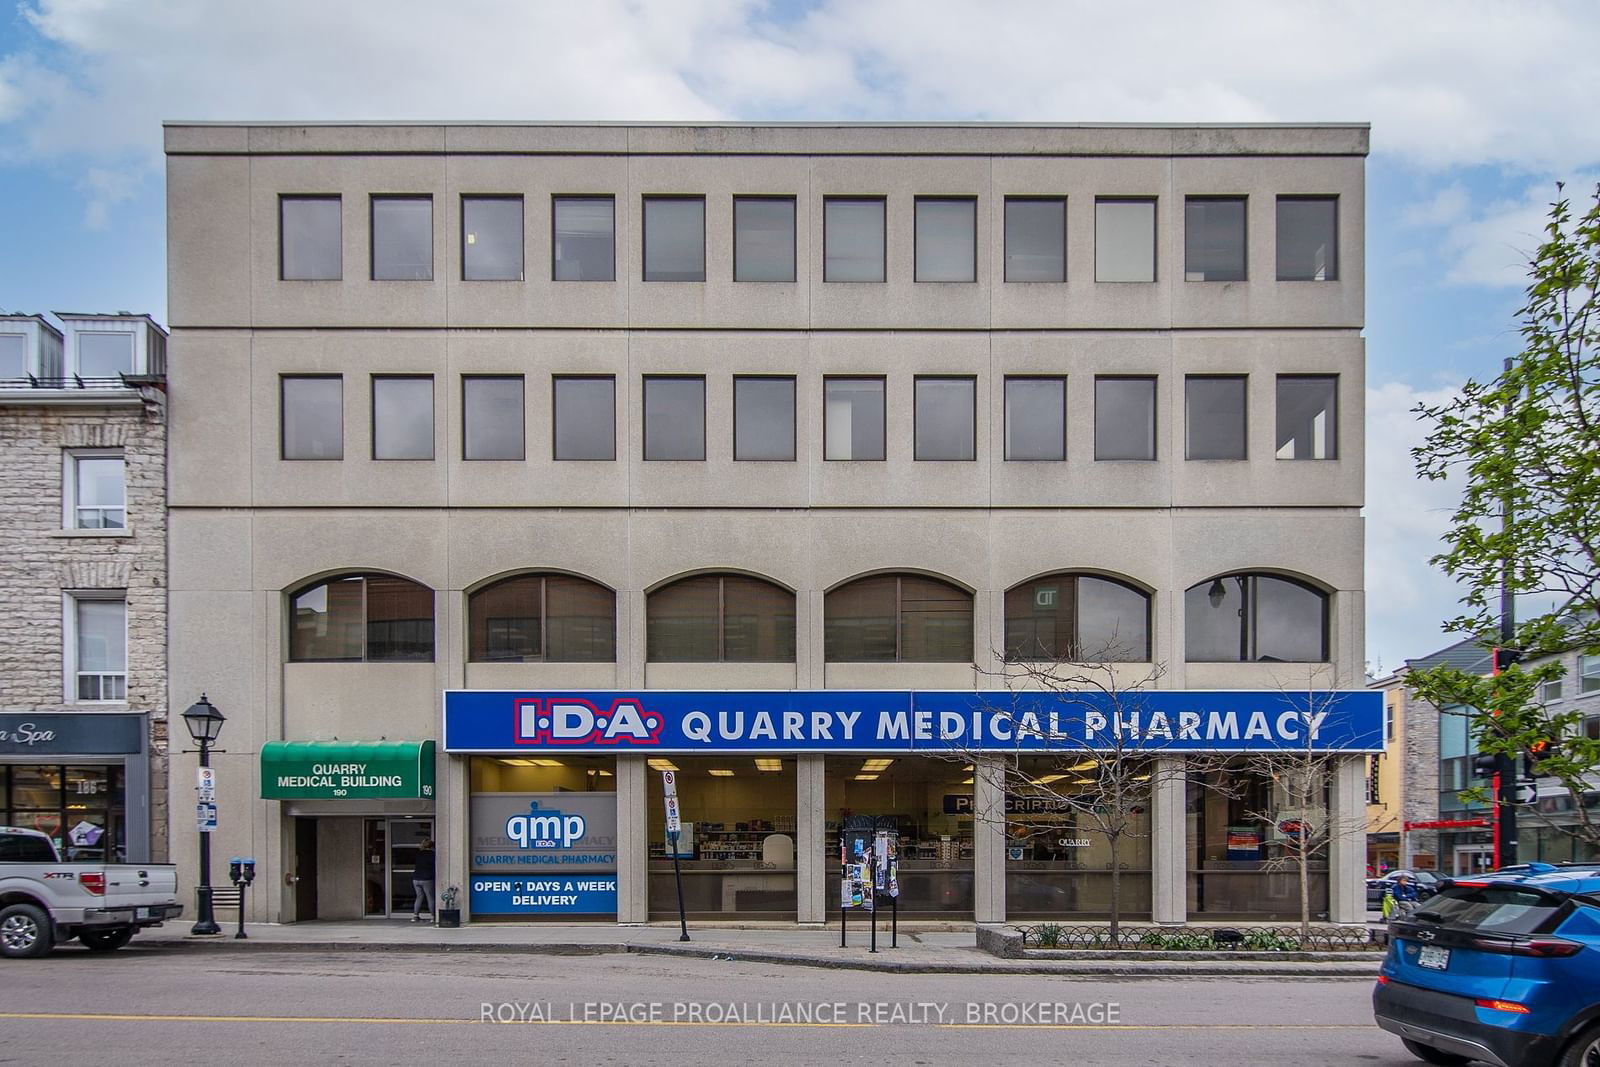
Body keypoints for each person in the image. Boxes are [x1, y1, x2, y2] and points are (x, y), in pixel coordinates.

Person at [412, 838, 436, 923]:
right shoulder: (432, 854)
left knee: (419, 897)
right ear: (432, 846)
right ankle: (433, 916)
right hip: (427, 878)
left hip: (416, 878)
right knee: (430, 897)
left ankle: (415, 916)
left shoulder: (418, 854)